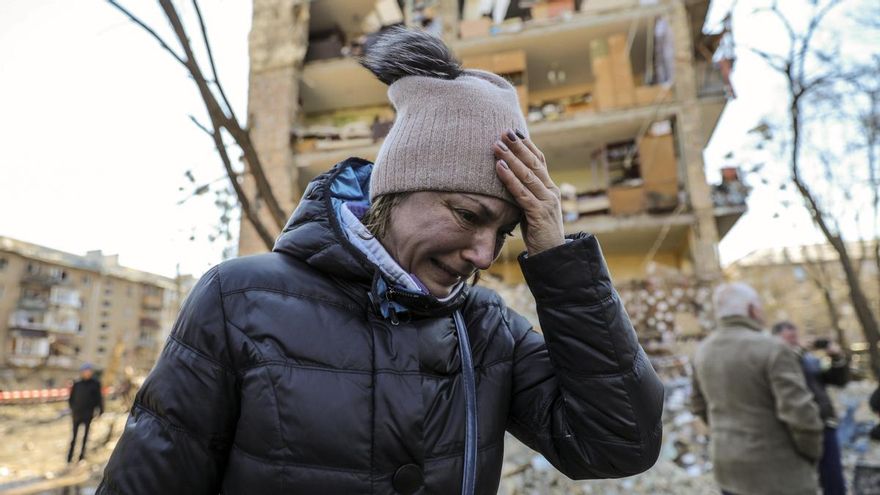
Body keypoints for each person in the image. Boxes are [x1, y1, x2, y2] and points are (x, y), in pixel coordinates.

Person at [97, 27, 664, 494]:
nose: (485, 256)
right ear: (396, 191)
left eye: (506, 230)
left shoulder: (487, 330)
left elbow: (617, 444)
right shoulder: (238, 300)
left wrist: (558, 259)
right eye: (468, 216)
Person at [691, 282, 823, 495]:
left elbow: (698, 405)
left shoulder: (703, 352)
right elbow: (800, 414)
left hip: (727, 468)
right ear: (752, 309)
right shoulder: (772, 349)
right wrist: (812, 452)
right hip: (777, 471)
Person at [773, 321, 849, 495]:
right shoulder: (774, 361)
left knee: (834, 480)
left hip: (824, 424)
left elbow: (839, 381)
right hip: (794, 431)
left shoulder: (809, 360)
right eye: (789, 339)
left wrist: (837, 358)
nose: (795, 342)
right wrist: (799, 351)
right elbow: (786, 371)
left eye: (796, 338)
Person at [67, 362, 103, 463]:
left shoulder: (95, 384)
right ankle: (69, 457)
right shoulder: (77, 383)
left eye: (88, 371)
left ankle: (81, 457)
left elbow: (99, 399)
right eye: (85, 371)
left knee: (85, 436)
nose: (86, 373)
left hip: (88, 414)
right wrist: (72, 408)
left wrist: (100, 410)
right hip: (77, 413)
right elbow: (71, 398)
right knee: (74, 436)